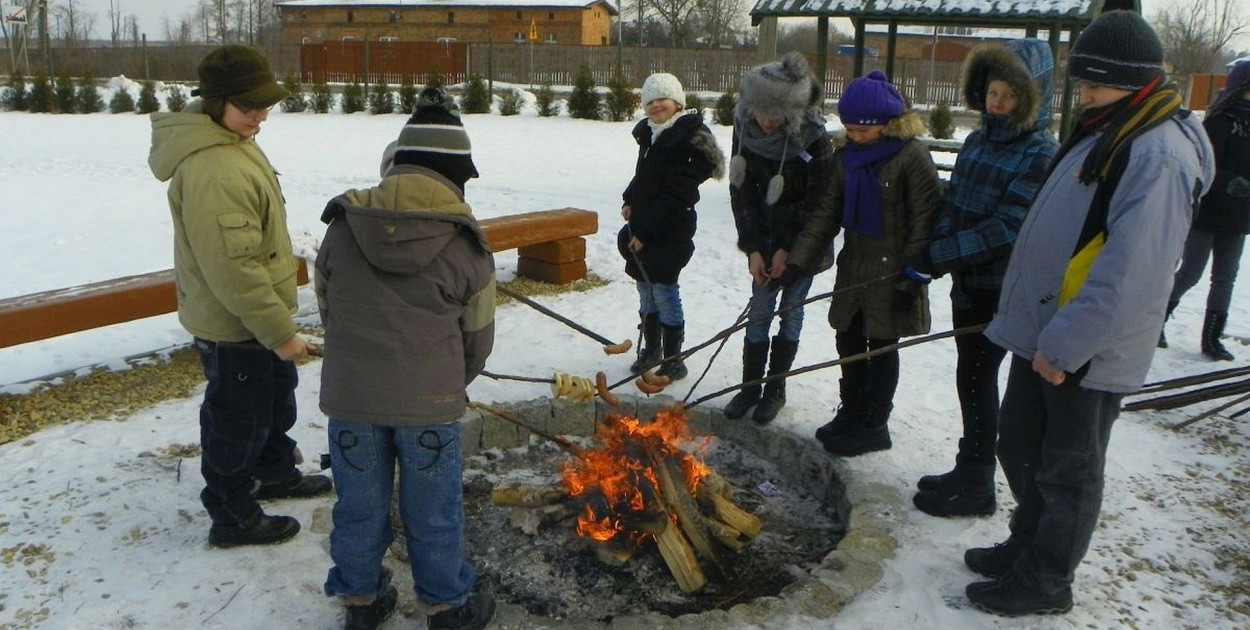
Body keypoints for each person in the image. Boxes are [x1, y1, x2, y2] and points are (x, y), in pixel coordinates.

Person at [967, 11, 1214, 617]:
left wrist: (1068, 345)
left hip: (1085, 345)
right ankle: (1025, 545)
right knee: (1022, 444)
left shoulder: (1156, 152)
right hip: (1048, 330)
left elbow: (1134, 271)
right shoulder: (1110, 126)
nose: (1082, 95)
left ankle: (1047, 579)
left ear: (1129, 81)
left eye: (1093, 85)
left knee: (1068, 470)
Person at [317, 88, 498, 630]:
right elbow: (478, 338)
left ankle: (362, 602)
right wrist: (450, 381)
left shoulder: (343, 226)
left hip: (352, 398)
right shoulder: (467, 245)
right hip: (429, 404)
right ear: (452, 174)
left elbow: (327, 307)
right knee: (433, 511)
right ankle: (445, 608)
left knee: (358, 507)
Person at [148, 45, 331, 549]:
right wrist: (279, 332)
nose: (261, 116)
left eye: (264, 104)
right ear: (216, 102)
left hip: (256, 319)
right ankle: (233, 516)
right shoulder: (214, 168)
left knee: (273, 401)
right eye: (249, 106)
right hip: (237, 325)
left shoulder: (233, 140)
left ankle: (274, 473)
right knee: (237, 422)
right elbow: (234, 268)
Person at [910, 40, 1059, 518]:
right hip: (967, 283)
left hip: (1001, 289)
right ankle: (970, 466)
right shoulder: (979, 139)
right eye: (991, 92)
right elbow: (955, 202)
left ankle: (978, 485)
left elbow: (1008, 227)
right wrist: (932, 248)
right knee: (968, 377)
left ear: (1031, 97)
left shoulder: (1039, 151)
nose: (996, 103)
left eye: (1008, 95)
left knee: (979, 379)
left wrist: (944, 254)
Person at [786, 70, 942, 455]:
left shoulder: (911, 157)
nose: (854, 137)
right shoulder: (847, 159)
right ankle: (852, 410)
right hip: (855, 267)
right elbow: (827, 213)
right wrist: (797, 262)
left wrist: (913, 278)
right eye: (849, 130)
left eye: (862, 131)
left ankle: (875, 423)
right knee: (848, 339)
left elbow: (927, 220)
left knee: (881, 346)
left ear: (887, 125)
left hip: (894, 272)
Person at [723, 51, 834, 424]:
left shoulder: (814, 140)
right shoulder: (745, 130)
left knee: (790, 314)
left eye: (776, 115)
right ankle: (750, 388)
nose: (767, 122)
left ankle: (776, 389)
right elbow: (743, 195)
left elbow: (818, 203)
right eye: (761, 112)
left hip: (802, 247)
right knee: (759, 314)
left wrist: (788, 250)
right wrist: (754, 248)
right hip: (764, 242)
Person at [618, 72, 724, 381]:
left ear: (677, 102)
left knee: (664, 291)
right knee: (645, 289)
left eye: (661, 100)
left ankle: (674, 357)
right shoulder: (654, 134)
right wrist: (629, 199)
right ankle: (652, 349)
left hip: (670, 230)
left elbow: (675, 194)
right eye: (649, 101)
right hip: (644, 225)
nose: (655, 106)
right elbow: (645, 177)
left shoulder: (686, 140)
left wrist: (644, 234)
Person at [1159, 59, 1250, 360]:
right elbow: (1201, 166)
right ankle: (1156, 319)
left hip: (1238, 218)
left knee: (1226, 278)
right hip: (1209, 213)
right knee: (1190, 273)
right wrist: (1229, 182)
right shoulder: (1219, 122)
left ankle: (1211, 339)